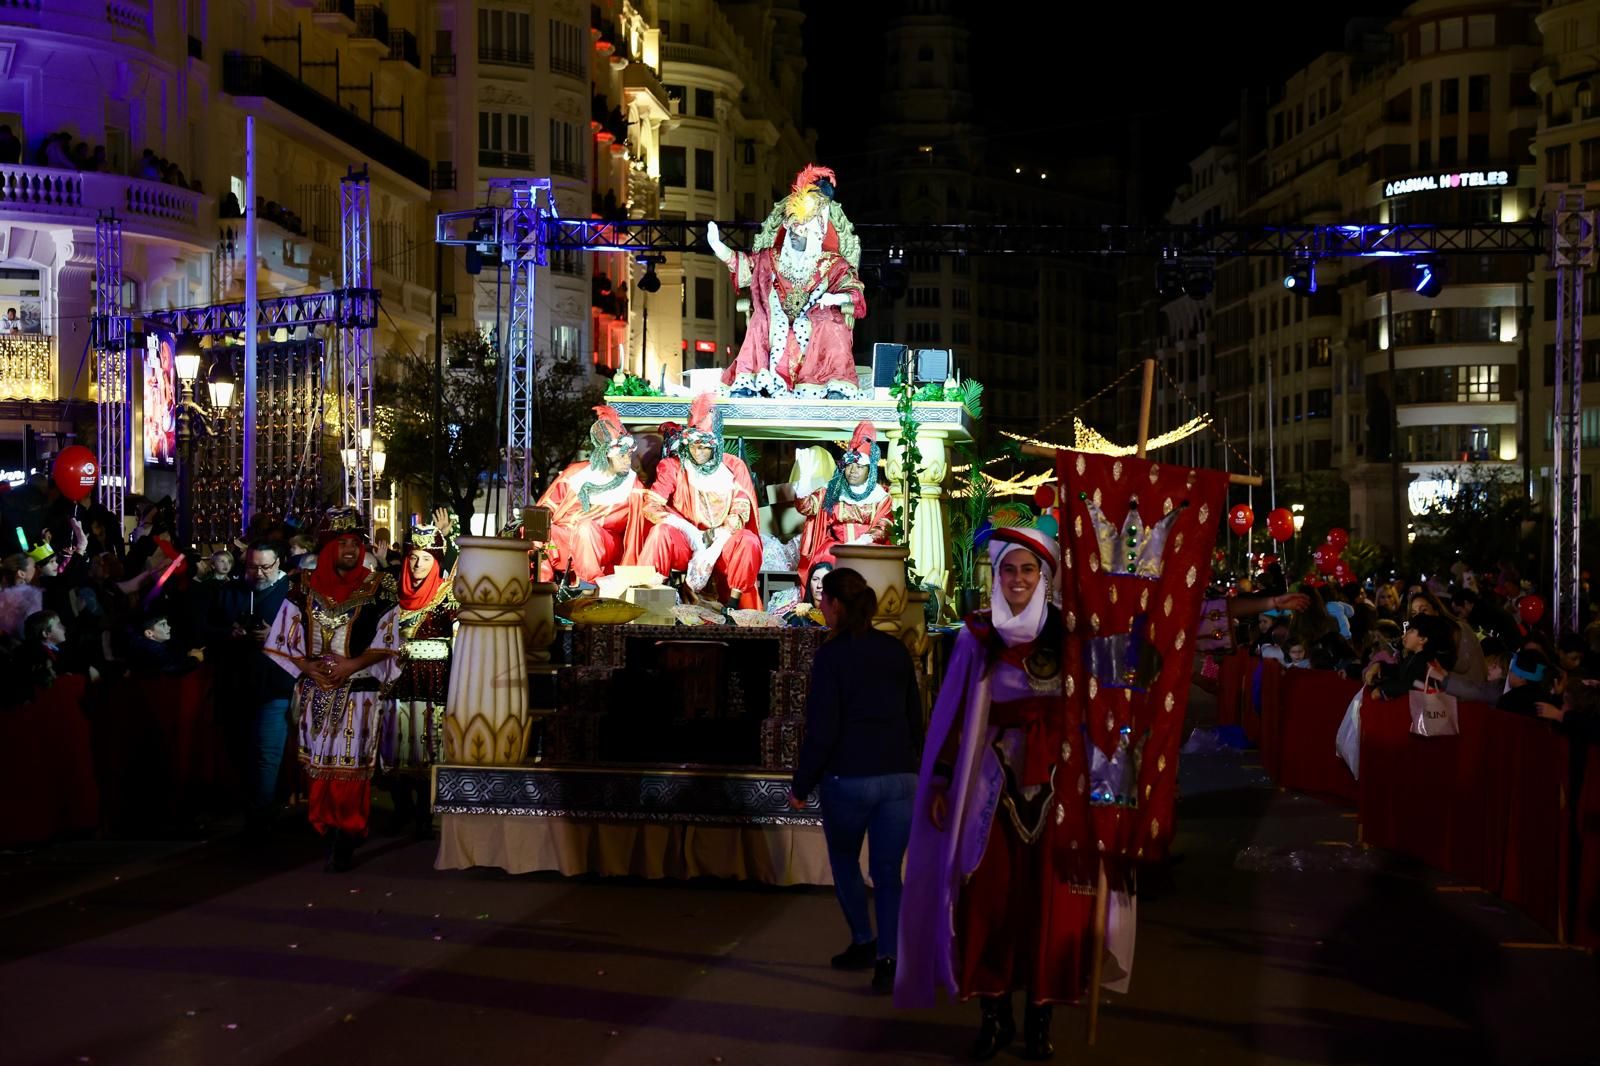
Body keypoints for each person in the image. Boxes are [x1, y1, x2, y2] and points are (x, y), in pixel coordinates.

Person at [897, 522, 1077, 1059]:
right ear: (996, 577)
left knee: (1045, 908)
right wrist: (947, 779)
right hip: (988, 795)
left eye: (1028, 569)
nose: (1018, 579)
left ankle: (1039, 1023)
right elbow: (953, 717)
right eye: (1009, 570)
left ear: (1044, 576)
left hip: (1055, 794)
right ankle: (993, 1018)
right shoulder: (976, 638)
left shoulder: (1071, 638)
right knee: (988, 904)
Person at [787, 567, 921, 993]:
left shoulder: (831, 656)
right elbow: (914, 716)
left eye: (824, 601)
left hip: (850, 776)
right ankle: (889, 958)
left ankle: (863, 939)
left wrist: (801, 784)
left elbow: (822, 728)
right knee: (887, 871)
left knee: (845, 860)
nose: (821, 609)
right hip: (899, 777)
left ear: (838, 606)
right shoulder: (895, 650)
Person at [264, 508, 400, 871]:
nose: (351, 551)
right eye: (342, 544)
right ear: (327, 548)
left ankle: (348, 834)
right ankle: (327, 828)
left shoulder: (380, 588)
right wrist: (307, 666)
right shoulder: (303, 587)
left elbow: (390, 638)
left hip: (360, 692)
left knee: (351, 769)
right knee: (320, 768)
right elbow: (282, 635)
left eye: (355, 544)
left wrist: (352, 664)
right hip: (316, 691)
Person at [706, 165, 866, 399]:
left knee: (831, 323)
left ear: (815, 235)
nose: (795, 236)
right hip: (776, 316)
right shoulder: (771, 258)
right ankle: (749, 383)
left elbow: (853, 287)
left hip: (816, 317)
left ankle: (831, 385)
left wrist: (836, 297)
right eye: (792, 231)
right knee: (760, 320)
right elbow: (745, 266)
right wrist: (719, 247)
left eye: (802, 232)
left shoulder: (832, 262)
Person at [640, 393, 762, 609]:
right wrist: (689, 531)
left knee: (749, 541)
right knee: (660, 533)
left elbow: (741, 509)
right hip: (685, 541)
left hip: (723, 541)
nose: (699, 451)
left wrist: (715, 543)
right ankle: (650, 602)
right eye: (695, 445)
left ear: (716, 445)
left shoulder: (734, 466)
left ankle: (734, 606)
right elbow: (651, 505)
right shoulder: (673, 466)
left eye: (705, 446)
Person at [379, 517, 458, 837]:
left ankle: (425, 814)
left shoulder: (447, 594)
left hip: (434, 680)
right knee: (396, 744)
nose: (418, 565)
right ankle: (401, 808)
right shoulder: (390, 592)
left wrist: (449, 539)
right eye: (413, 558)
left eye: (426, 559)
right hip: (398, 678)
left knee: (429, 746)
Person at [534, 405, 640, 583]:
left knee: (586, 528)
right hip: (567, 538)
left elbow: (648, 516)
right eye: (622, 456)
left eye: (629, 455)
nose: (627, 461)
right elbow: (546, 508)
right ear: (606, 455)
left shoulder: (632, 485)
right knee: (534, 529)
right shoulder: (575, 474)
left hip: (602, 542)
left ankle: (588, 585)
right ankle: (541, 587)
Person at [794, 420, 893, 579]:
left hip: (869, 547)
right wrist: (804, 479)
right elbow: (806, 507)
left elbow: (884, 525)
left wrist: (861, 543)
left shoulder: (880, 496)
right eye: (849, 465)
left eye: (860, 467)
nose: (853, 471)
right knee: (827, 557)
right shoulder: (832, 490)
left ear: (870, 470)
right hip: (836, 549)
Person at [1364, 613, 1456, 699]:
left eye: (1411, 631)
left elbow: (1411, 684)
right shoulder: (1413, 657)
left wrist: (1383, 690)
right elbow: (1400, 671)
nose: (1405, 635)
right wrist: (1380, 667)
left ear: (1423, 639)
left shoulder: (1425, 662)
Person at [126, 612, 203, 676]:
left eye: (167, 623)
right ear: (149, 633)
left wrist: (187, 654)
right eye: (163, 625)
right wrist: (195, 659)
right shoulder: (154, 650)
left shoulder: (143, 643)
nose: (169, 627)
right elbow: (173, 670)